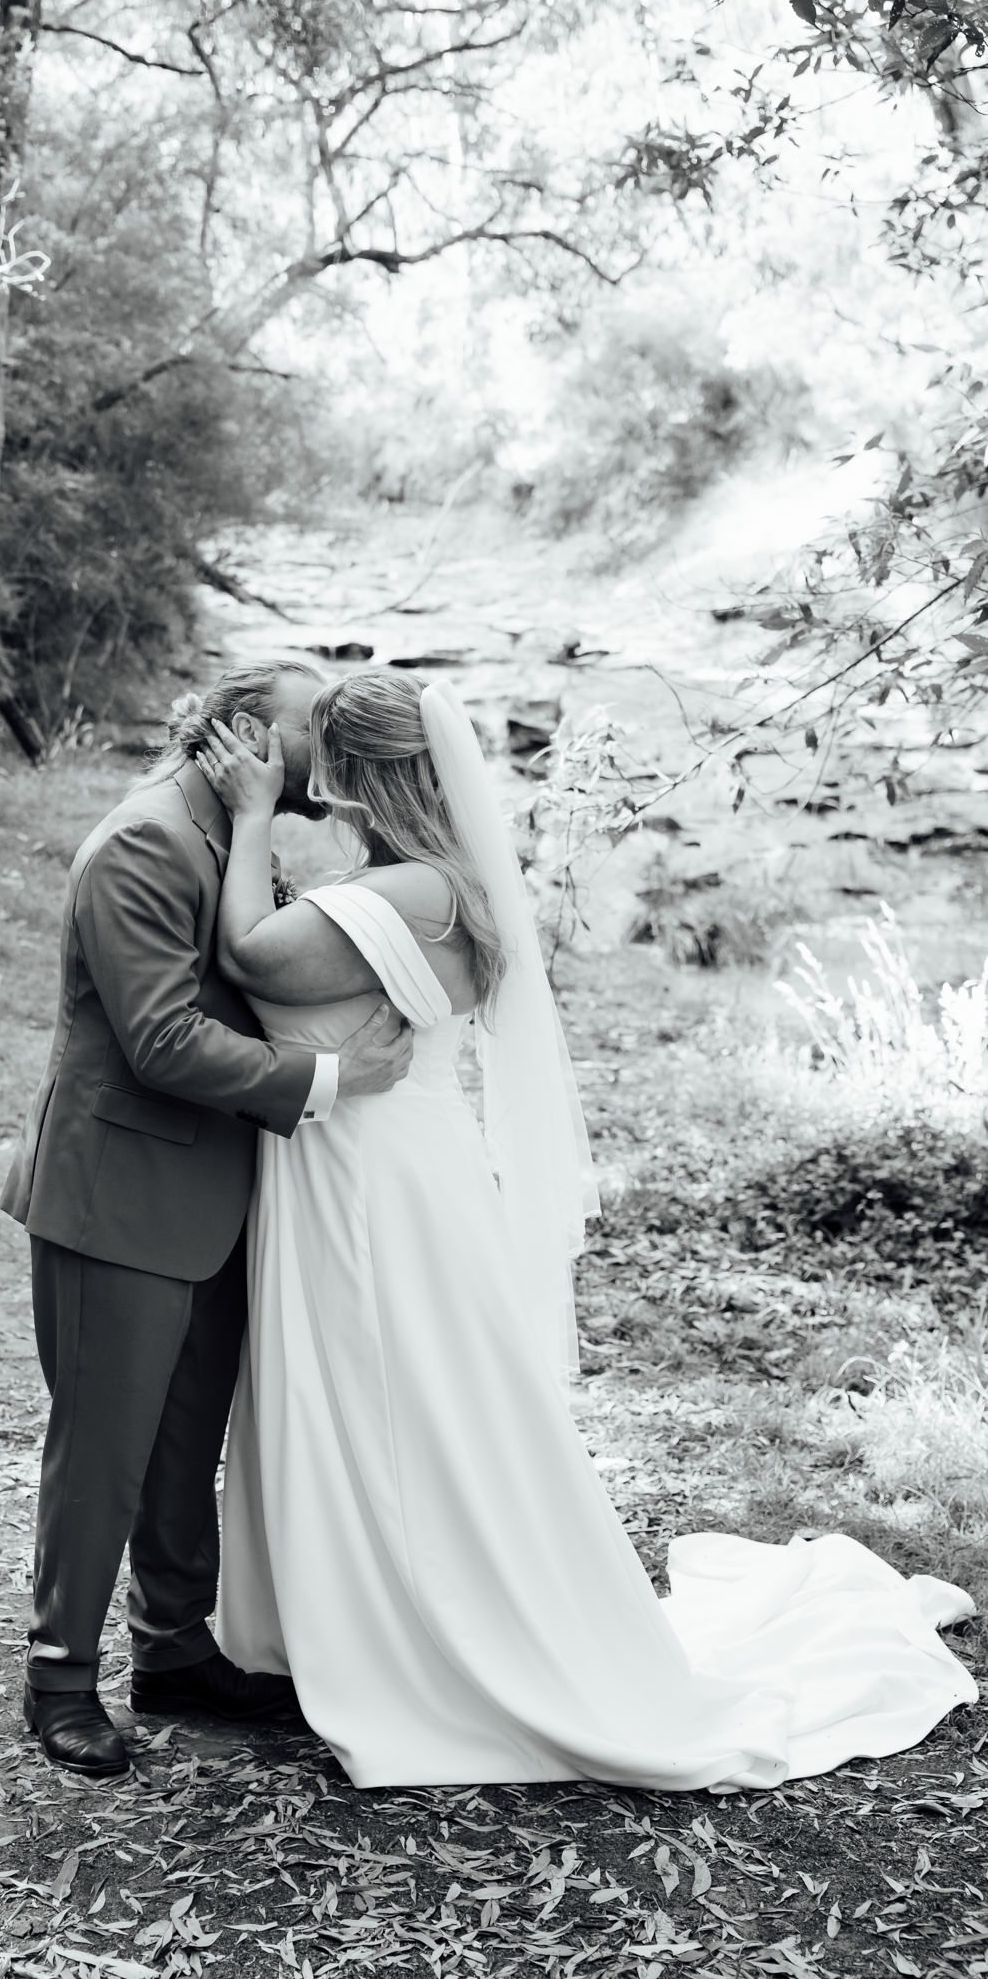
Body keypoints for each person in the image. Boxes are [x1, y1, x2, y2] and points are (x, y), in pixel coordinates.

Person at [195, 667, 977, 1790]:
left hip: (370, 1179)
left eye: (319, 744)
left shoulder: (406, 892)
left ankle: (413, 1633)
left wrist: (249, 817)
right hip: (392, 1160)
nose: (302, 763)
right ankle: (368, 1612)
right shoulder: (439, 882)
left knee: (396, 1395)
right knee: (413, 1396)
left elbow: (248, 957)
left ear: (360, 768)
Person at [0, 659, 414, 1776]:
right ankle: (58, 1678)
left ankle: (175, 1650)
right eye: (308, 728)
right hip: (118, 1197)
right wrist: (331, 1078)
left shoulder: (228, 832)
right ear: (240, 736)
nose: (327, 749)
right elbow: (162, 1039)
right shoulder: (142, 843)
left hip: (214, 1196)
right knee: (104, 1449)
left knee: (186, 1442)